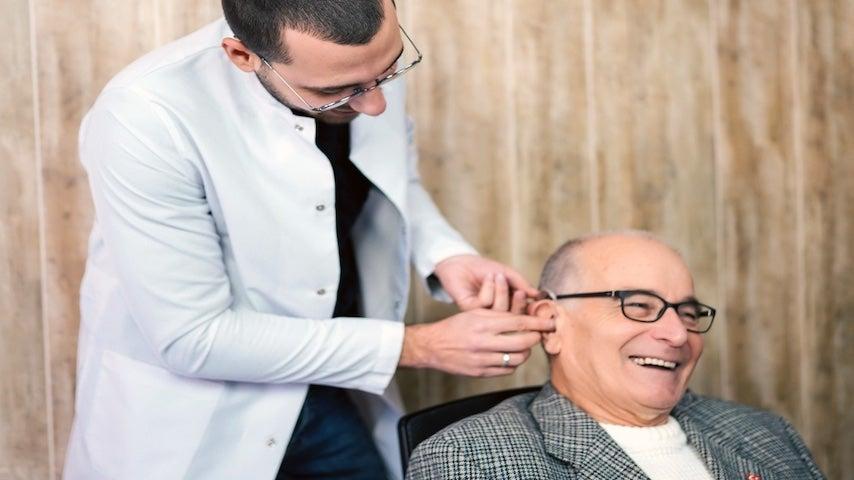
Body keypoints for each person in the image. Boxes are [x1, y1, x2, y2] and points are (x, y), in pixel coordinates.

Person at [62, 1, 554, 479]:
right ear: (243, 56)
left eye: (388, 72)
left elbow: (390, 178)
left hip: (328, 388)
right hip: (199, 415)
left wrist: (446, 254)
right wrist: (416, 346)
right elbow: (194, 337)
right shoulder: (145, 117)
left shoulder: (360, 63)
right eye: (340, 93)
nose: (376, 104)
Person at [407, 231, 825, 479]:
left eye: (688, 311)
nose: (677, 333)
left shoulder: (765, 432)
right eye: (639, 306)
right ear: (551, 324)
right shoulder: (472, 458)